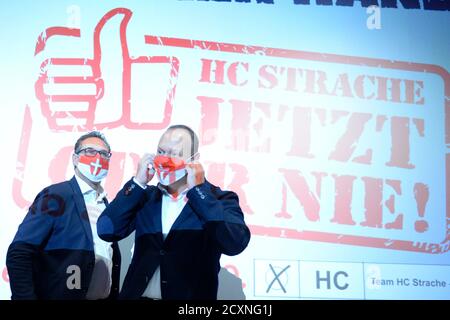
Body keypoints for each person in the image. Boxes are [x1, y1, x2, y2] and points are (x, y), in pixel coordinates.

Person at [97, 124, 250, 299]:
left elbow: (235, 243)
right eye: (161, 152)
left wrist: (198, 192)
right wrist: (138, 183)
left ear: (194, 159)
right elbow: (106, 230)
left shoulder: (219, 199)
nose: (165, 160)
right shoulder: (146, 197)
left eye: (175, 154)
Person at [6, 131, 121, 300]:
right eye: (89, 151)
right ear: (75, 159)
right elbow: (20, 252)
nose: (97, 157)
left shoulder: (105, 203)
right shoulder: (55, 195)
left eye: (104, 154)